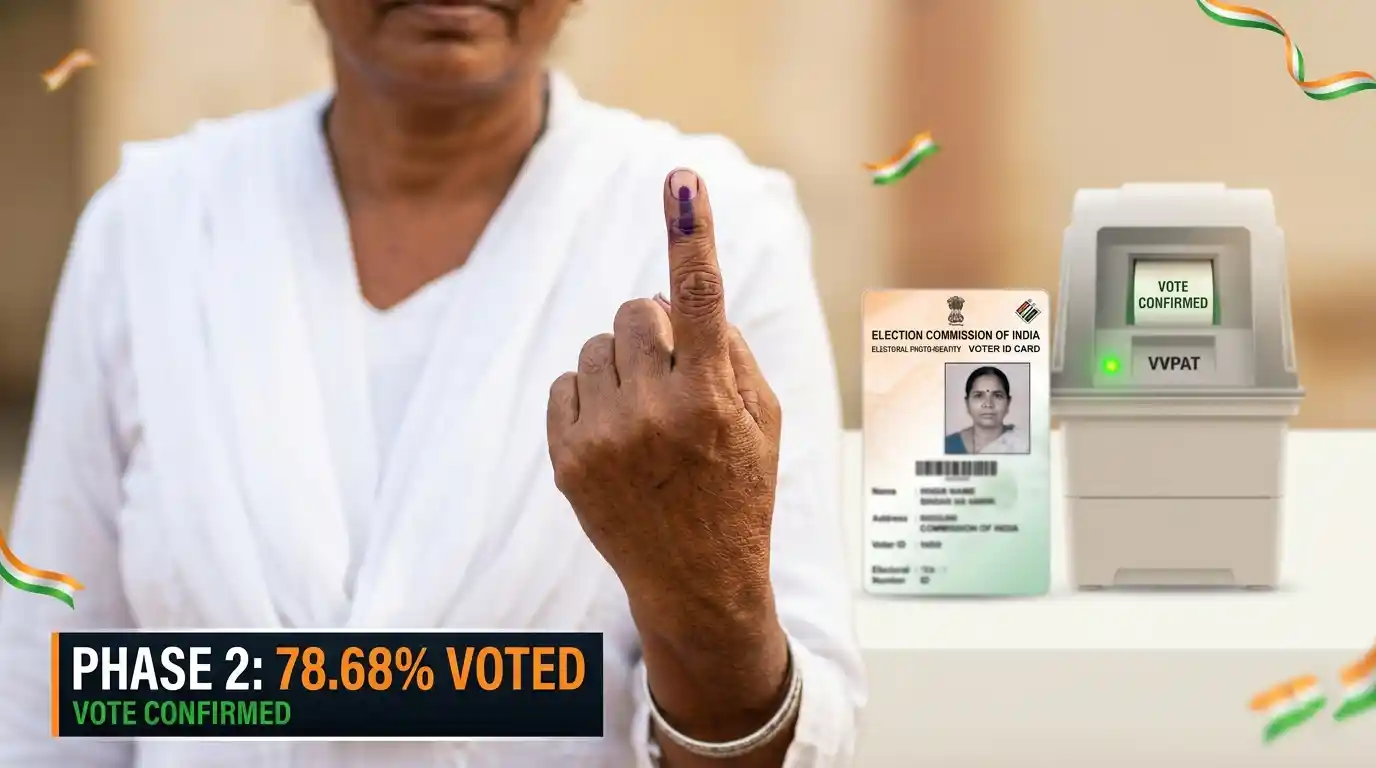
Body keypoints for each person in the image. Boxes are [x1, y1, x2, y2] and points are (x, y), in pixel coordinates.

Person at [0, 1, 864, 766]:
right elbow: (48, 693)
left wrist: (705, 595)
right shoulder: (153, 224)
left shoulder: (721, 233)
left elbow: (792, 733)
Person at [945, 366, 1028, 455]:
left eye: (997, 396)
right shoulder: (946, 446)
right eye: (978, 396)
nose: (988, 404)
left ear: (1008, 403)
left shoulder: (1024, 445)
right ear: (967, 403)